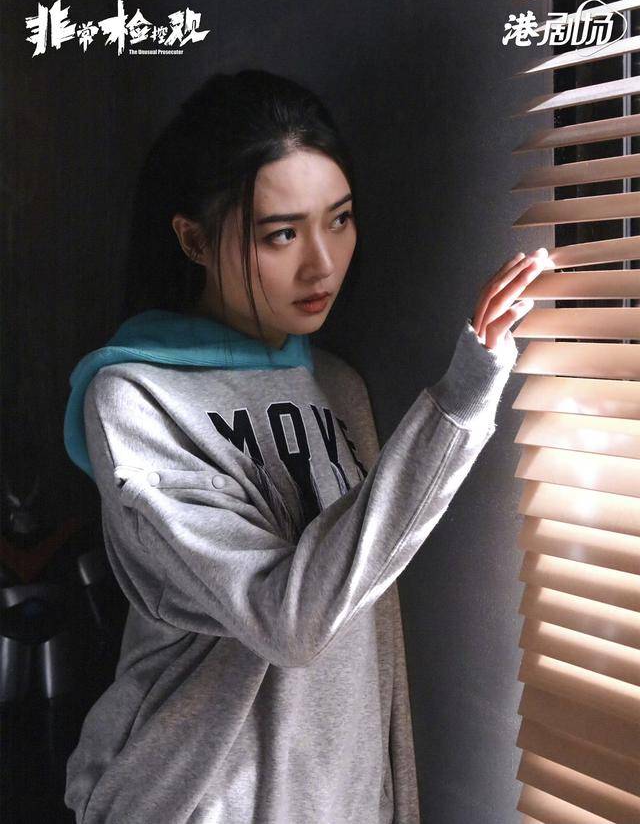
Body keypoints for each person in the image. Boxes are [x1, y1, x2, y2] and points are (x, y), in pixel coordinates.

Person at [62, 68, 550, 824]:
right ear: (193, 239)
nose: (322, 263)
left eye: (339, 219)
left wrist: (392, 799)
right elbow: (289, 616)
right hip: (197, 799)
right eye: (282, 233)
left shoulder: (337, 384)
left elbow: (372, 624)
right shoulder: (134, 402)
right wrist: (460, 400)